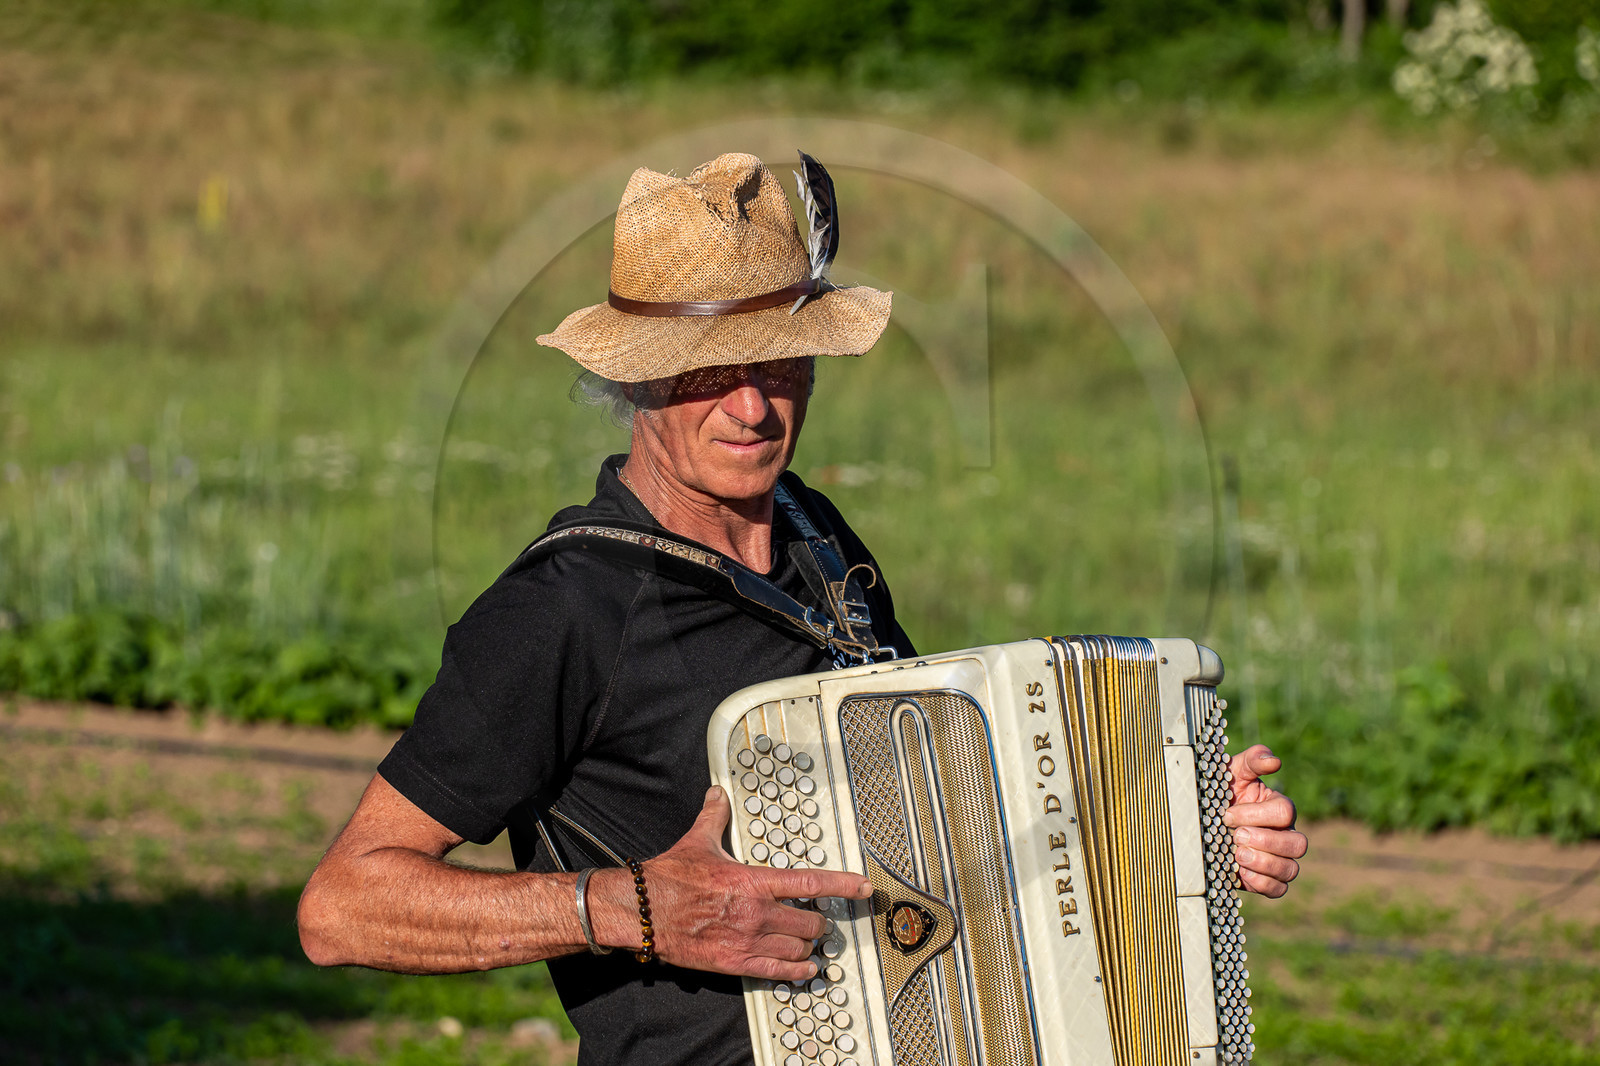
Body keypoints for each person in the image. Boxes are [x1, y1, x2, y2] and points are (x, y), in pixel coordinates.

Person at [297, 152, 1306, 1066]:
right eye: (710, 374)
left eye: (779, 367)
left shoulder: (816, 537)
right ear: (632, 376)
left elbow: (935, 819)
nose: (752, 408)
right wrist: (631, 906)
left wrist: (1175, 827)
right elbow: (344, 907)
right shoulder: (561, 609)